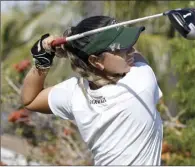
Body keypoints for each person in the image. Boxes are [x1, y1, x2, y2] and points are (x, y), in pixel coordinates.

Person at [21, 16, 163, 165]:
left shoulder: (75, 94)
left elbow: (31, 99)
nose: (131, 50)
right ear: (96, 61)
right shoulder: (140, 82)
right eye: (120, 47)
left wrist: (43, 59)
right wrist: (70, 40)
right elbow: (137, 56)